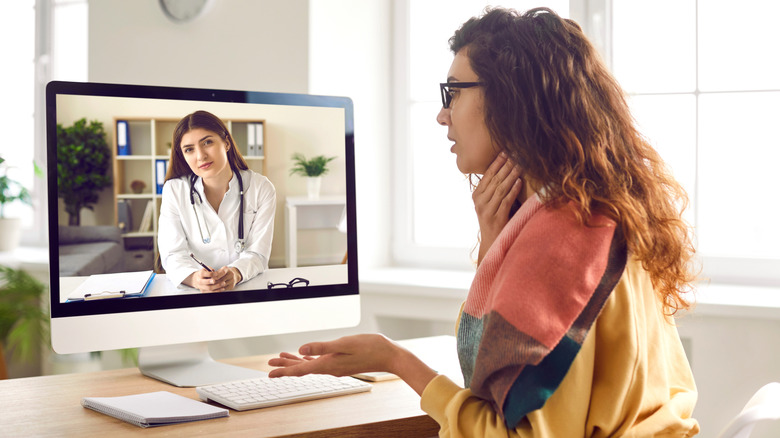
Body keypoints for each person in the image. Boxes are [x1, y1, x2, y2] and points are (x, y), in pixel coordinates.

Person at [268, 7, 699, 436]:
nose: (442, 114)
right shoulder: (607, 213)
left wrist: (395, 360)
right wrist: (496, 250)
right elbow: (496, 380)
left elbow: (508, 433)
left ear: (512, 98)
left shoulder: (557, 244)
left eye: (453, 92)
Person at [158, 110, 276, 293]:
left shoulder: (261, 187)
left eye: (207, 142)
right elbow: (173, 253)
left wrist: (236, 273)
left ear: (226, 143)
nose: (200, 156)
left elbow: (258, 253)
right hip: (194, 292)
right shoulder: (174, 190)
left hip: (248, 287)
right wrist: (195, 278)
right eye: (189, 149)